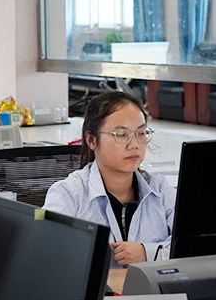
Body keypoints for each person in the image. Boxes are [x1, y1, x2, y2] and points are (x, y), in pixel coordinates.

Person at [43, 91, 175, 267]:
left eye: (141, 133)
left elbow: (191, 246)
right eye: (121, 134)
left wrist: (147, 253)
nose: (134, 145)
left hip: (152, 285)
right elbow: (45, 252)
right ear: (91, 140)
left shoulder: (160, 189)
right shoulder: (67, 194)